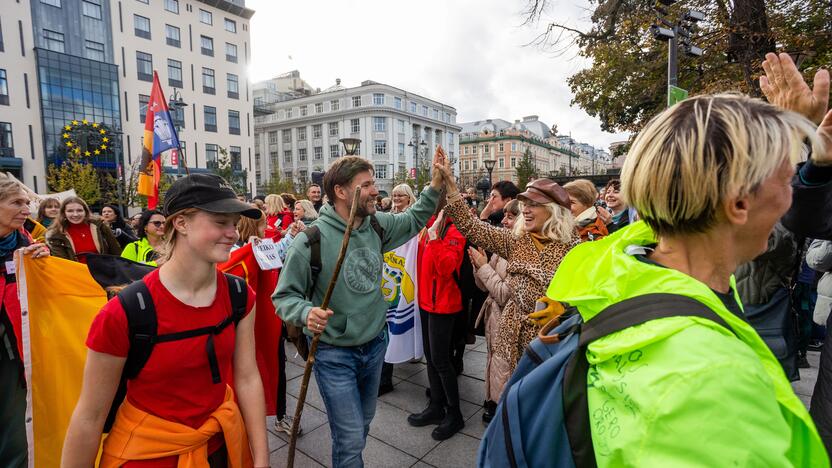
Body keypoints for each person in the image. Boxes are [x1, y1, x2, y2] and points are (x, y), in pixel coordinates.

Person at [544, 93, 828, 466]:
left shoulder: (625, 266)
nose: (790, 199)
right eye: (788, 179)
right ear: (739, 203)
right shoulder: (714, 384)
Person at [62, 174, 269, 467]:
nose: (234, 233)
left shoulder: (239, 295)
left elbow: (247, 378)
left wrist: (262, 458)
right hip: (147, 456)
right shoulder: (125, 312)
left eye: (234, 224)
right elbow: (89, 417)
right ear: (181, 223)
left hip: (222, 450)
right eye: (221, 222)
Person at [274, 152, 443, 467]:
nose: (375, 191)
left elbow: (415, 217)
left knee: (361, 427)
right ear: (341, 191)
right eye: (366, 185)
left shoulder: (377, 225)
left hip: (376, 344)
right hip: (333, 354)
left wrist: (434, 185)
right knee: (351, 439)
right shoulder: (310, 240)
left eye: (374, 183)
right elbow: (284, 297)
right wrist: (306, 313)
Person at [437, 168, 579, 397]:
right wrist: (452, 187)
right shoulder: (516, 241)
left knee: (541, 406)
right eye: (525, 204)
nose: (526, 210)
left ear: (554, 211)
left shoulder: (574, 248)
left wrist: (568, 310)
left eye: (534, 205)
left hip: (550, 340)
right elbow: (472, 227)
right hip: (511, 336)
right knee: (509, 400)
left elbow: (590, 297)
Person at [0, 176, 51, 468]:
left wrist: (42, 263)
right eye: (17, 203)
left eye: (27, 202)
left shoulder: (27, 242)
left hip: (14, 346)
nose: (27, 209)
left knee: (15, 421)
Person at [408, 206, 466, 440]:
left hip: (443, 304)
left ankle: (455, 414)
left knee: (442, 361)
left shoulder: (455, 232)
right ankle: (436, 406)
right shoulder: (426, 225)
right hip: (426, 302)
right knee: (431, 358)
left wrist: (434, 238)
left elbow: (446, 268)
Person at [469, 198, 519, 423]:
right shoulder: (503, 247)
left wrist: (483, 266)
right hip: (493, 319)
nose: (505, 222)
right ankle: (491, 399)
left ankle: (500, 408)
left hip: (505, 320)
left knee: (503, 366)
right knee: (493, 361)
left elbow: (502, 294)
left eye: (511, 217)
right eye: (505, 216)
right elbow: (484, 287)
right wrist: (478, 266)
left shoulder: (521, 252)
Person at [46, 196, 121, 263]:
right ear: (64, 213)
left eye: (79, 210)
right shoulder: (56, 234)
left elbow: (116, 252)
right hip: (77, 275)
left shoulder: (100, 226)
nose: (75, 214)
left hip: (105, 274)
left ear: (86, 211)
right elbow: (63, 263)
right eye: (70, 211)